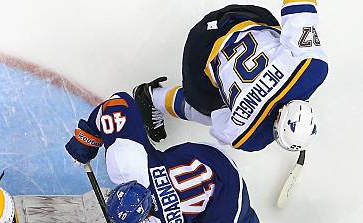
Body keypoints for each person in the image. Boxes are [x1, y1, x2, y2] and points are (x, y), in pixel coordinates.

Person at [65, 92, 347, 223]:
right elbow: (118, 105)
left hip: (224, 198)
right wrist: (87, 138)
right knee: (168, 161)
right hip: (202, 155)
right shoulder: (130, 164)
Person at [133, 1, 327, 152]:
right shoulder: (247, 136)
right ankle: (152, 97)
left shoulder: (313, 67)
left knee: (283, 37)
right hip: (200, 49)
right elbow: (219, 124)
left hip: (240, 17)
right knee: (207, 109)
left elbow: (299, 8)